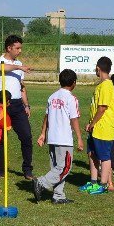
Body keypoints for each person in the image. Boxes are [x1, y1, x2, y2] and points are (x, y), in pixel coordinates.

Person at [0, 35, 35, 179]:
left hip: (18, 106)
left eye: (21, 48)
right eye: (17, 48)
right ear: (9, 48)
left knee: (26, 136)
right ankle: (0, 170)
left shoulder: (20, 64)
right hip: (0, 105)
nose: (20, 51)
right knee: (0, 139)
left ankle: (27, 169)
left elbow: (22, 87)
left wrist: (26, 105)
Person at [34, 69, 83, 204]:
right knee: (64, 168)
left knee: (56, 167)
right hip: (64, 139)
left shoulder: (52, 96)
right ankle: (41, 183)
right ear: (74, 83)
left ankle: (58, 196)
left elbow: (47, 116)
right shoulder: (71, 98)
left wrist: (43, 133)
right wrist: (79, 138)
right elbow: (74, 119)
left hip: (52, 137)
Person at [80, 56, 114, 195]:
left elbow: (102, 108)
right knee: (92, 153)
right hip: (96, 128)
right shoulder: (101, 85)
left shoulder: (107, 85)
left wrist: (92, 123)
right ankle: (94, 182)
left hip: (104, 127)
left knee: (104, 156)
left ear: (98, 68)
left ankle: (103, 184)